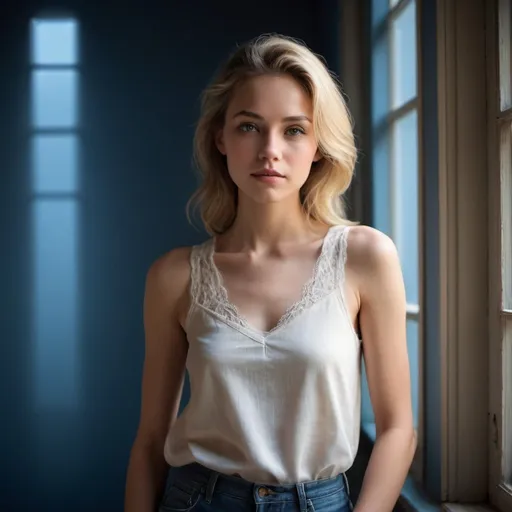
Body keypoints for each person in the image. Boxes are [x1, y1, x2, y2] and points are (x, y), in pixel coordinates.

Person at [124, 34, 416, 512]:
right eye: (249, 127)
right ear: (220, 138)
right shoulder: (174, 276)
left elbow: (399, 430)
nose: (270, 150)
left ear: (319, 144)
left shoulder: (365, 257)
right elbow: (150, 440)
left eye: (295, 129)